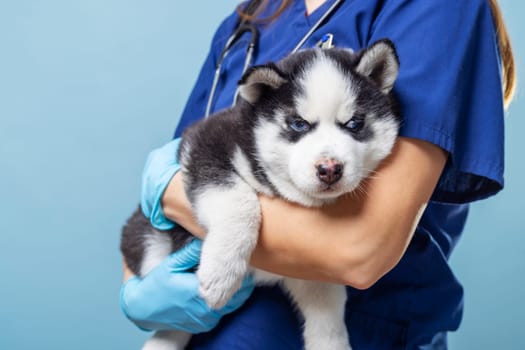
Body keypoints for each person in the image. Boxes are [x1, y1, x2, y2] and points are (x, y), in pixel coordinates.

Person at [120, 0, 516, 349]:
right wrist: (143, 290)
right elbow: (159, 213)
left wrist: (173, 191)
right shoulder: (251, 18)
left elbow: (359, 250)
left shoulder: (439, 7)